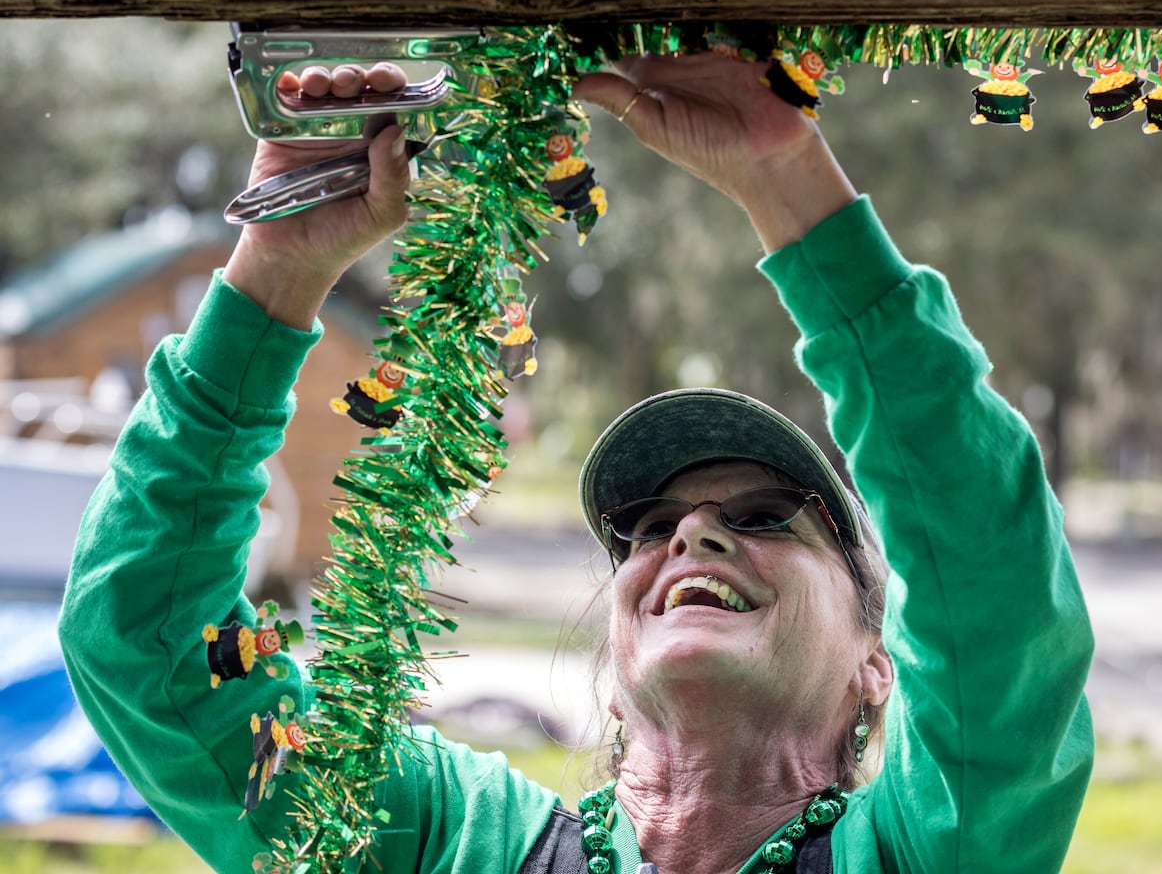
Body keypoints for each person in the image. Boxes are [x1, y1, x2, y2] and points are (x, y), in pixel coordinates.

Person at [59, 51, 1094, 873]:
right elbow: (149, 642)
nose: (691, 530)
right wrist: (275, 272)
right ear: (612, 675)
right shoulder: (440, 841)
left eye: (770, 513)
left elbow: (991, 584)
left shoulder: (927, 849)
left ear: (879, 664)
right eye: (646, 528)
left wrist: (786, 180)